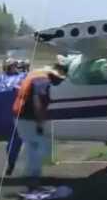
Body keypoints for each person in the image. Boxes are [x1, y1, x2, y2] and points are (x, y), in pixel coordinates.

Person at [11, 61, 68, 191]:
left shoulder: (36, 74)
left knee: (32, 146)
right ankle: (32, 179)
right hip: (27, 117)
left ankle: (27, 175)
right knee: (41, 145)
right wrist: (40, 122)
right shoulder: (43, 80)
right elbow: (38, 100)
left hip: (20, 115)